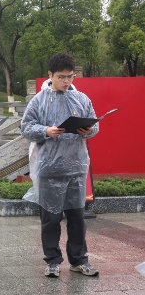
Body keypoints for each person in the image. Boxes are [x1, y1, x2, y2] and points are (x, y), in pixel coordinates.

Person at [21, 53, 99, 278]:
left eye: (70, 77)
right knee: (51, 219)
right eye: (61, 77)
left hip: (76, 168)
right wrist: (46, 131)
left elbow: (94, 126)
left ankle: (79, 260)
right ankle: (53, 260)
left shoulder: (82, 99)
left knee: (77, 218)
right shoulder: (39, 101)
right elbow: (26, 127)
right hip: (49, 169)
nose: (66, 81)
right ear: (50, 75)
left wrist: (89, 130)